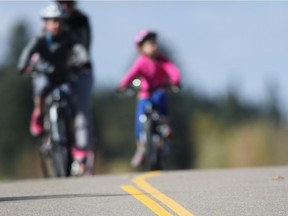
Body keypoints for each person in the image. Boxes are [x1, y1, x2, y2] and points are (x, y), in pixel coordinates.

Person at [18, 2, 91, 175]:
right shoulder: (41, 38)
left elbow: (79, 48)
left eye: (59, 20)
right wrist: (23, 66)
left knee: (71, 106)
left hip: (63, 76)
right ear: (45, 22)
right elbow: (28, 52)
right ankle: (38, 113)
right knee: (41, 88)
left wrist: (84, 60)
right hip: (45, 75)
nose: (56, 24)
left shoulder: (68, 36)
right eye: (52, 21)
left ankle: (73, 144)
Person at [117, 30, 181, 168]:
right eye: (150, 44)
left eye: (155, 43)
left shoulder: (162, 61)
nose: (154, 47)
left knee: (162, 99)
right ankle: (141, 148)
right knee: (140, 121)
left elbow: (172, 70)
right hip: (145, 95)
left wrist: (175, 81)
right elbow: (131, 74)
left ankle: (165, 126)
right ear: (141, 48)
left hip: (159, 92)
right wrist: (123, 85)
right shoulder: (141, 62)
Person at [56, 0, 95, 174]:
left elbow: (84, 44)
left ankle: (81, 152)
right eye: (62, 3)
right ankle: (51, 133)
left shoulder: (82, 20)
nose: (65, 7)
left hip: (80, 69)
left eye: (68, 4)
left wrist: (80, 61)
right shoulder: (52, 20)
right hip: (58, 71)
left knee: (80, 111)